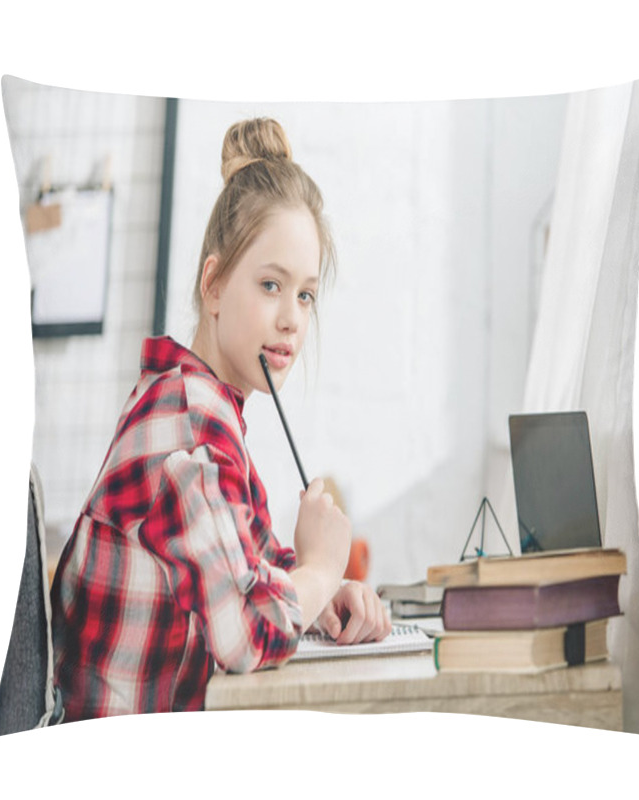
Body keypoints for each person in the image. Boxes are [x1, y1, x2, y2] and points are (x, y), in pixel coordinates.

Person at [50, 117, 391, 722]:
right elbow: (249, 633)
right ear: (214, 284)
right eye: (270, 285)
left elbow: (246, 573)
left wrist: (323, 594)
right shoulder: (189, 422)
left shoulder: (202, 406)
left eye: (306, 294)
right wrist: (320, 568)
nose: (291, 319)